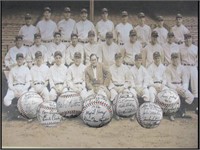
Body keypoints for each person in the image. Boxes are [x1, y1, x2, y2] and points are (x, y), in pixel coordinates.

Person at [165, 52, 194, 119]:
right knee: (173, 98)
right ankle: (175, 113)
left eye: (176, 58)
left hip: (181, 86)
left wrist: (183, 89)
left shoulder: (182, 68)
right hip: (172, 87)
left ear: (178, 59)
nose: (175, 60)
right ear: (171, 59)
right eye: (173, 58)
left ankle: (181, 111)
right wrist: (176, 89)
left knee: (190, 97)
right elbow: (168, 82)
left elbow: (185, 81)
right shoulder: (168, 68)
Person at [4, 53, 31, 118]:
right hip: (14, 87)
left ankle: (22, 114)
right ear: (16, 60)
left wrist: (22, 89)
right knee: (6, 100)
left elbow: (28, 83)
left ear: (23, 60)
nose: (19, 61)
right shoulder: (12, 69)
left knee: (27, 100)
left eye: (21, 59)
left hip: (23, 87)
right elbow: (10, 83)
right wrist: (14, 90)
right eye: (18, 59)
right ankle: (16, 114)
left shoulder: (26, 69)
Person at [179, 33, 198, 99]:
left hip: (193, 67)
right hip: (184, 67)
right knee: (185, 85)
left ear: (191, 39)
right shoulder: (181, 48)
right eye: (186, 38)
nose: (188, 40)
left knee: (195, 86)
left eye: (189, 38)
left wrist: (195, 66)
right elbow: (179, 59)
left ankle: (196, 105)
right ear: (184, 39)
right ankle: (186, 103)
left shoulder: (195, 48)